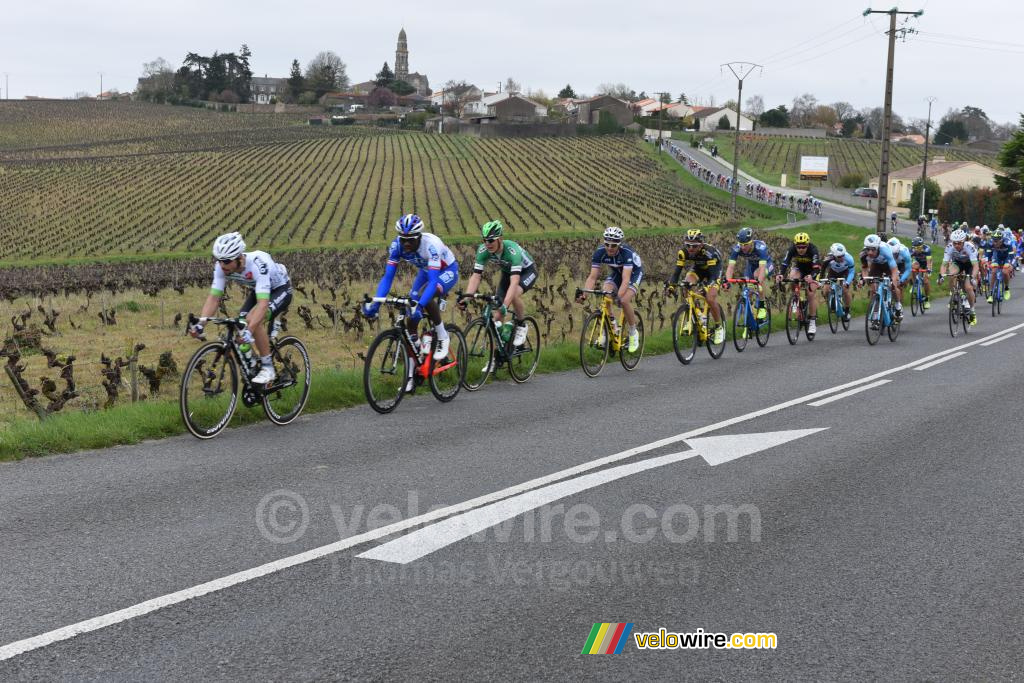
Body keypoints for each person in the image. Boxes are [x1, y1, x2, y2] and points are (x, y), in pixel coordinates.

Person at [191, 232, 292, 384]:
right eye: (219, 260)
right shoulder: (221, 268)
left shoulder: (258, 264)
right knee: (240, 323)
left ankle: (268, 368)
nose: (222, 265)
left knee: (252, 322)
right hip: (260, 289)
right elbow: (214, 297)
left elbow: (263, 304)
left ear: (239, 258)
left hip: (280, 289)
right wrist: (201, 323)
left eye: (226, 261)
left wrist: (249, 331)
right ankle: (252, 366)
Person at [362, 213, 459, 363]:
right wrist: (376, 303)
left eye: (410, 240)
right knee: (410, 314)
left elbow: (433, 283)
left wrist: (419, 306)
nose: (406, 243)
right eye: (403, 239)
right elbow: (388, 278)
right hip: (426, 271)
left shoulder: (431, 245)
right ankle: (418, 354)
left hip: (446, 271)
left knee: (422, 298)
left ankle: (442, 335)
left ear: (419, 237)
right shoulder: (396, 246)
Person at [459, 220, 537, 347]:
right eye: (484, 240)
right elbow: (476, 276)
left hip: (526, 271)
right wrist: (467, 297)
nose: (487, 244)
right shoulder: (483, 250)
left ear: (500, 238)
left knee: (514, 295)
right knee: (497, 317)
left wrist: (506, 306)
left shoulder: (512, 251)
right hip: (507, 273)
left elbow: (514, 282)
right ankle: (497, 356)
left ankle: (522, 325)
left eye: (491, 240)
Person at [576, 227, 643, 353]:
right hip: (617, 272)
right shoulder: (600, 252)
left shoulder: (627, 253)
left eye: (613, 245)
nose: (610, 248)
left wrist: (619, 296)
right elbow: (592, 277)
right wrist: (584, 294)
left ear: (619, 244)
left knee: (624, 300)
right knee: (606, 292)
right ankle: (611, 327)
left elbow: (625, 279)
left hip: (633, 274)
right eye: (607, 244)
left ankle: (633, 333)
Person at [665, 228, 725, 344]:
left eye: (694, 246)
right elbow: (677, 272)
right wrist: (671, 287)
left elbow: (712, 275)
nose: (691, 249)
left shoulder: (709, 252)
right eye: (688, 245)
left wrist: (707, 287)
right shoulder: (683, 253)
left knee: (710, 297)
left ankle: (719, 327)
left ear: (701, 244)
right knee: (686, 285)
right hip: (699, 269)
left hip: (714, 270)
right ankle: (694, 315)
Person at [723, 227, 772, 321]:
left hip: (766, 265)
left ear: (751, 242)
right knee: (748, 289)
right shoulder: (737, 249)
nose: (743, 247)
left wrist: (758, 282)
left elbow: (761, 268)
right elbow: (730, 267)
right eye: (741, 244)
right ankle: (750, 313)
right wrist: (727, 282)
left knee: (757, 277)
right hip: (751, 266)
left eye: (745, 245)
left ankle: (762, 306)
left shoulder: (760, 247)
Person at [777, 232, 821, 336]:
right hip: (800, 269)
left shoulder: (813, 250)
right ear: (795, 245)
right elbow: (785, 262)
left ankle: (812, 322)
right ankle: (796, 299)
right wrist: (780, 274)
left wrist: (812, 277)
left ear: (808, 245)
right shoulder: (792, 249)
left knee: (810, 293)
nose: (801, 249)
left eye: (803, 247)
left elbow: (816, 268)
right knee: (792, 278)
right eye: (798, 247)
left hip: (813, 271)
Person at [859, 234, 902, 330]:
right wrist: (866, 279)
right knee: (874, 287)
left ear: (878, 247)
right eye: (868, 249)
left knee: (893, 286)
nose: (870, 252)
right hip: (876, 265)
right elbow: (865, 269)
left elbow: (894, 270)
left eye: (873, 249)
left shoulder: (885, 250)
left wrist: (893, 281)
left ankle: (898, 305)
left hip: (888, 265)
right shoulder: (863, 254)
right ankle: (875, 317)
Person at [938, 228, 979, 325]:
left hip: (970, 264)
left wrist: (973, 277)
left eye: (959, 243)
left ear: (964, 241)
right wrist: (941, 276)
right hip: (958, 263)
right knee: (951, 274)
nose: (956, 245)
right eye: (954, 243)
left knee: (968, 287)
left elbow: (975, 266)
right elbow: (944, 264)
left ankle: (972, 310)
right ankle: (954, 295)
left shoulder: (970, 247)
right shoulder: (949, 247)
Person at [818, 243, 856, 322]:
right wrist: (821, 281)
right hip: (833, 272)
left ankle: (847, 310)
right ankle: (831, 302)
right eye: (839, 257)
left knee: (845, 290)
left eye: (843, 255)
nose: (842, 258)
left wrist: (847, 283)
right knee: (825, 290)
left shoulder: (849, 258)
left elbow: (852, 272)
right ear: (834, 255)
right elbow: (822, 271)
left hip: (845, 272)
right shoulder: (828, 259)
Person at [886, 237, 913, 320]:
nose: (893, 256)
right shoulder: (886, 251)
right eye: (892, 255)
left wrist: (901, 280)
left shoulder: (904, 252)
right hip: (890, 265)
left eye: (895, 255)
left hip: (902, 266)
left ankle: (899, 308)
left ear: (898, 251)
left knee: (899, 286)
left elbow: (908, 269)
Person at [986, 230, 1014, 302]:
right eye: (994, 240)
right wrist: (987, 262)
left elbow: (1011, 256)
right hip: (997, 257)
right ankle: (991, 294)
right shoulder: (990, 243)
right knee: (994, 272)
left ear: (1001, 240)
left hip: (1006, 257)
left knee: (1005, 272)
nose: (995, 242)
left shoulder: (1007, 243)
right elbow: (988, 256)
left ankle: (1006, 288)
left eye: (997, 241)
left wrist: (1010, 264)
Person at [909, 236, 934, 309]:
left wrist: (928, 270)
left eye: (919, 248)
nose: (917, 250)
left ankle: (927, 299)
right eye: (915, 248)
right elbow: (908, 261)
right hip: (918, 262)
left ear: (922, 246)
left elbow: (929, 262)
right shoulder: (911, 250)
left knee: (926, 280)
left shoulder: (927, 249)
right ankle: (914, 284)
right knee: (912, 268)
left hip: (926, 263)